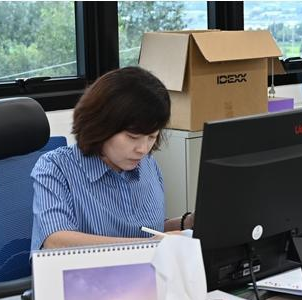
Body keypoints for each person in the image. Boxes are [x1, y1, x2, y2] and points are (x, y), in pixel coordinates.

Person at [31, 66, 192, 252]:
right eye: (132, 137)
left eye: (152, 137)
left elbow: (148, 231)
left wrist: (187, 223)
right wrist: (149, 246)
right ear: (101, 125)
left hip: (147, 268)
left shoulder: (148, 164)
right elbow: (56, 241)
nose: (143, 149)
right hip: (88, 271)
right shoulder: (55, 167)